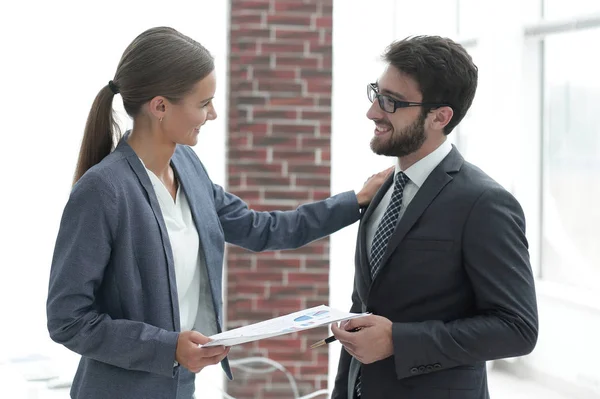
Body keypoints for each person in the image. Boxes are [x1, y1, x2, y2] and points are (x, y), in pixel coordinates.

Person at [46, 26, 390, 399]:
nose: (212, 114)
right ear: (160, 106)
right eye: (203, 102)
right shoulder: (103, 190)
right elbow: (68, 319)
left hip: (180, 388)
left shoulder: (188, 167)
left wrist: (354, 201)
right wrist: (167, 347)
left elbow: (261, 229)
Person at [330, 36, 538, 399]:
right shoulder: (381, 189)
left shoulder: (485, 203)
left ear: (440, 117)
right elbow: (364, 305)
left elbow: (517, 328)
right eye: (377, 94)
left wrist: (398, 341)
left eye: (391, 102)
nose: (373, 112)